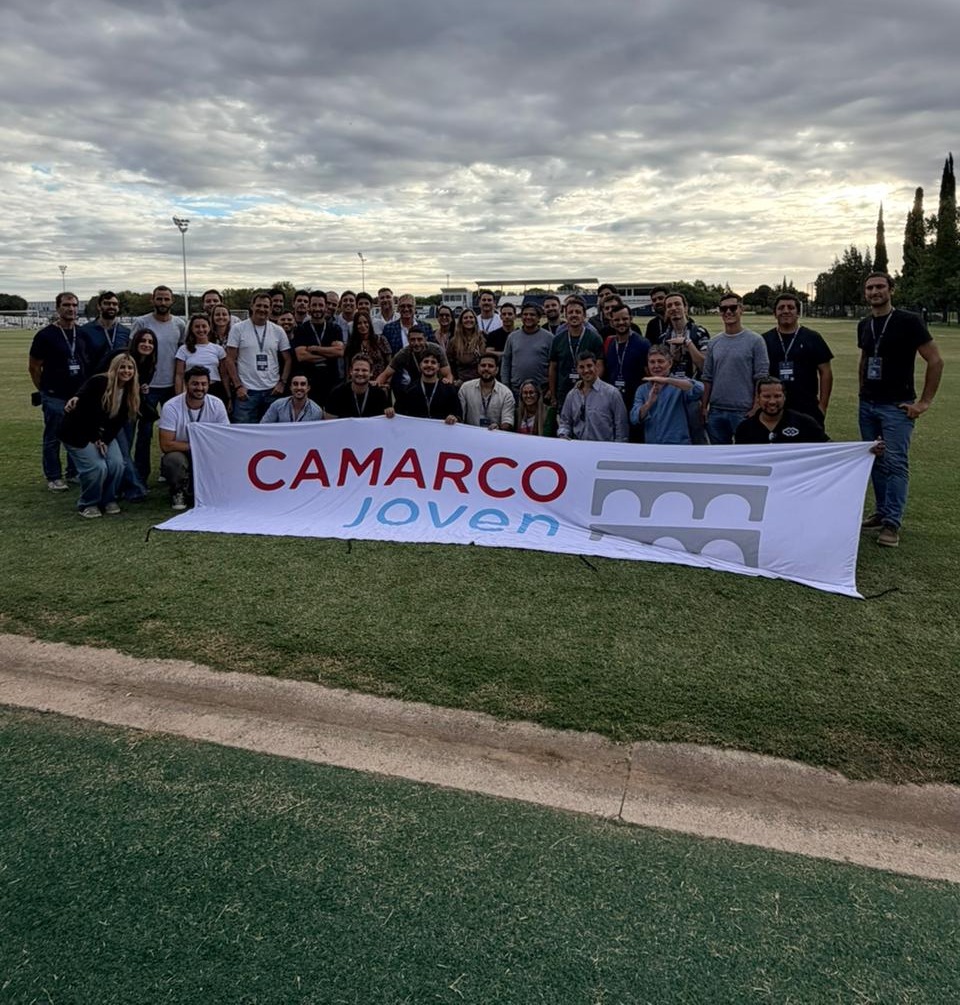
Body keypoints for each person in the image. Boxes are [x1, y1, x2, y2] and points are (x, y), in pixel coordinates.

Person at [858, 272, 944, 547]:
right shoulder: (865, 324)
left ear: (891, 290)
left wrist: (924, 403)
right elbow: (865, 359)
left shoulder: (909, 321)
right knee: (875, 460)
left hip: (896, 406)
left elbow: (935, 360)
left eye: (880, 287)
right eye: (870, 288)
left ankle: (892, 524)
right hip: (868, 405)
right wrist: (862, 391)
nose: (875, 292)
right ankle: (881, 512)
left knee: (895, 463)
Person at [59, 354, 140, 518]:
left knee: (117, 463)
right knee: (97, 467)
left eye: (130, 368)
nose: (126, 371)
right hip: (78, 432)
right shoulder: (99, 382)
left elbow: (117, 423)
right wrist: (96, 439)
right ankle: (88, 503)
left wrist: (104, 440)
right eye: (122, 367)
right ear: (114, 368)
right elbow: (84, 415)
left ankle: (108, 499)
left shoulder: (130, 391)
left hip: (102, 434)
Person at [28, 291, 90, 490]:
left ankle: (74, 472)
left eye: (74, 305)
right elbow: (34, 367)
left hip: (78, 396)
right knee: (53, 437)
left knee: (76, 435)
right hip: (55, 395)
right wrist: (44, 390)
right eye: (66, 305)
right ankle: (53, 476)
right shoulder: (45, 335)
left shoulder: (82, 333)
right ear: (58, 308)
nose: (71, 309)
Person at [129, 285, 186, 479]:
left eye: (166, 299)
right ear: (152, 300)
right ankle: (141, 476)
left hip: (171, 387)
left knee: (174, 433)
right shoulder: (141, 322)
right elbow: (132, 353)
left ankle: (168, 471)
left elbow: (182, 354)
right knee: (145, 433)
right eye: (159, 298)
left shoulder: (179, 324)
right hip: (147, 388)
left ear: (172, 301)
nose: (163, 302)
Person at [158, 366, 230, 510]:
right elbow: (166, 445)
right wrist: (197, 446)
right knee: (173, 460)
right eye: (195, 384)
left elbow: (224, 437)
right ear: (186, 384)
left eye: (204, 384)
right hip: (183, 452)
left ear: (209, 385)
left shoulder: (216, 404)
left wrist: (206, 448)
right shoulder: (171, 407)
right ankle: (178, 491)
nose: (200, 388)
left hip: (208, 452)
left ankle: (216, 489)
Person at [700, 293, 769, 444]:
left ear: (741, 309)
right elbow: (707, 377)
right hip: (716, 411)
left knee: (746, 452)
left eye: (732, 308)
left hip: (744, 411)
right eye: (723, 309)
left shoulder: (756, 341)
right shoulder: (714, 343)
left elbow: (761, 377)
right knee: (720, 455)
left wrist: (756, 407)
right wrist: (704, 407)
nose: (728, 312)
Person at [761, 294, 833, 426]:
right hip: (773, 408)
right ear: (774, 313)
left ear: (798, 312)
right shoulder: (764, 340)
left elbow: (826, 372)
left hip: (807, 407)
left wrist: (822, 406)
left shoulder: (813, 338)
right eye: (781, 308)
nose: (786, 311)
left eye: (790, 307)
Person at [225, 291, 292, 423]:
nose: (262, 309)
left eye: (266, 306)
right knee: (244, 431)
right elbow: (229, 359)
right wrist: (238, 386)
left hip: (272, 390)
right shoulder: (238, 328)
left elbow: (288, 359)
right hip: (247, 391)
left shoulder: (278, 330)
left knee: (272, 432)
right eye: (259, 305)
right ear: (252, 306)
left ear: (271, 309)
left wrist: (282, 383)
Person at [661, 291, 711, 443]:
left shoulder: (699, 333)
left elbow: (704, 365)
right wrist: (673, 356)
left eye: (677, 304)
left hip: (694, 395)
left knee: (698, 438)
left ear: (686, 308)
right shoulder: (664, 338)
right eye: (669, 306)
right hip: (672, 395)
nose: (673, 308)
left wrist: (688, 344)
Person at [547, 296, 604, 410]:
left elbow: (600, 365)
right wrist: (553, 395)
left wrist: (592, 387)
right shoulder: (558, 339)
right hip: (563, 394)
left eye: (578, 312)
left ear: (584, 315)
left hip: (588, 393)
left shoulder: (594, 338)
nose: (574, 315)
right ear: (565, 315)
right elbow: (553, 368)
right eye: (570, 312)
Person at [734, 377, 830, 444]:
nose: (772, 401)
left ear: (784, 397)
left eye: (777, 396)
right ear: (758, 398)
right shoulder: (745, 428)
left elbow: (829, 447)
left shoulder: (805, 423)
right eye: (766, 396)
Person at [557, 352, 628, 442]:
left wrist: (618, 448)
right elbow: (565, 422)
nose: (586, 370)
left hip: (603, 447)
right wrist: (563, 435)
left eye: (589, 366)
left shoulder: (612, 393)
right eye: (581, 367)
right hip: (578, 446)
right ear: (577, 370)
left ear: (596, 367)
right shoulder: (572, 395)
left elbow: (621, 427)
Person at [290, 291, 344, 404]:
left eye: (320, 305)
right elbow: (301, 356)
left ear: (326, 307)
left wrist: (315, 349)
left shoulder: (335, 329)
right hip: (309, 383)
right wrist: (329, 354)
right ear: (309, 307)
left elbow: (339, 352)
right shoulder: (301, 329)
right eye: (314, 305)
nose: (317, 308)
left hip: (332, 381)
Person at [501, 301, 553, 398]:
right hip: (516, 391)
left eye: (532, 315)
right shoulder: (512, 337)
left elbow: (553, 365)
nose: (528, 317)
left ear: (539, 318)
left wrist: (551, 389)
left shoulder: (549, 338)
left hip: (541, 390)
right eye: (525, 314)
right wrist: (505, 386)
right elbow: (506, 363)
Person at [604, 303, 650, 411]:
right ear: (611, 322)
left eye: (624, 319)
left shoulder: (643, 344)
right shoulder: (609, 343)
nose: (621, 322)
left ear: (631, 319)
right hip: (614, 400)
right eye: (617, 320)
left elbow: (649, 374)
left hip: (636, 401)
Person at [394, 348, 461, 422]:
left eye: (433, 362)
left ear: (438, 366)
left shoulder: (449, 390)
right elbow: (398, 414)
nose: (429, 365)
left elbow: (458, 414)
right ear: (420, 365)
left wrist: (454, 417)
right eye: (426, 361)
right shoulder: (408, 390)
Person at [375, 329, 453, 391]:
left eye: (419, 339)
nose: (416, 343)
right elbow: (386, 374)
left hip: (436, 385)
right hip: (415, 387)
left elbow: (447, 374)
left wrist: (448, 387)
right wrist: (375, 386)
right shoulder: (403, 353)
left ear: (425, 339)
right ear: (408, 340)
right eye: (413, 340)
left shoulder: (436, 350)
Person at [174, 315, 227, 400]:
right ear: (192, 329)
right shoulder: (183, 349)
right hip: (193, 390)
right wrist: (179, 397)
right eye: (197, 327)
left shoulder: (218, 349)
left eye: (204, 326)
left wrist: (228, 396)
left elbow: (224, 375)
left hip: (215, 389)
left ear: (209, 328)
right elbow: (179, 375)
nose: (201, 329)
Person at [458, 353, 514, 430]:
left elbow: (507, 421)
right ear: (478, 368)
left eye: (490, 366)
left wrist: (499, 428)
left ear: (497, 370)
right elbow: (460, 416)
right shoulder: (465, 388)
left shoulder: (506, 393)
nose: (486, 369)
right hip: (470, 433)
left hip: (495, 435)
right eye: (483, 365)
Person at [324, 355, 392, 418]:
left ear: (371, 373)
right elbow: (330, 421)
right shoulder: (337, 393)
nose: (360, 373)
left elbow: (387, 420)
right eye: (356, 370)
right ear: (350, 371)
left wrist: (390, 412)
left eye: (364, 370)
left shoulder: (379, 394)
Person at [81, 291, 130, 363]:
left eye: (114, 304)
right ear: (99, 306)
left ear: (118, 308)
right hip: (94, 370)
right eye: (107, 303)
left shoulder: (126, 332)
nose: (111, 306)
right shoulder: (85, 330)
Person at [344, 310, 392, 380]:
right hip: (358, 382)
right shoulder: (351, 344)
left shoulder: (381, 340)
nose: (363, 326)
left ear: (370, 324)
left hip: (379, 382)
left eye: (365, 322)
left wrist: (387, 382)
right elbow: (348, 368)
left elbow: (390, 364)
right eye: (359, 323)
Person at [447, 308, 485, 384]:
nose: (468, 320)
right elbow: (450, 363)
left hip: (479, 381)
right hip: (460, 381)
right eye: (465, 318)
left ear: (475, 320)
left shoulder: (482, 338)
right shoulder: (454, 341)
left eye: (471, 317)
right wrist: (455, 379)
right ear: (461, 321)